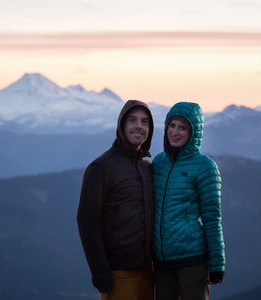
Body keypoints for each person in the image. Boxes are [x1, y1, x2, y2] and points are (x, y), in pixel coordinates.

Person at [76, 100, 155, 300]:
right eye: (132, 120)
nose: (139, 125)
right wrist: (99, 271)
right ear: (121, 126)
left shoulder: (147, 167)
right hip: (118, 274)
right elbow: (87, 222)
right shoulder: (101, 168)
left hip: (150, 273)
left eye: (145, 122)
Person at [152, 102, 225, 300]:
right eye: (172, 125)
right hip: (161, 261)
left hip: (192, 259)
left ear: (193, 132)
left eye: (182, 127)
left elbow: (212, 217)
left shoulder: (205, 166)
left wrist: (217, 263)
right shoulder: (158, 162)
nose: (175, 132)